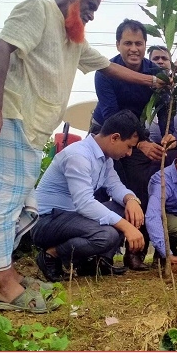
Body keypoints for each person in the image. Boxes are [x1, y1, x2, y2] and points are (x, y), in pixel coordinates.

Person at [0, 0, 164, 313]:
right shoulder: (39, 10)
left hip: (34, 130)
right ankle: (3, 284)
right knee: (4, 203)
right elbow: (0, 48)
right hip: (13, 116)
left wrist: (156, 81)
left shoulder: (74, 41)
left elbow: (111, 68)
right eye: (90, 6)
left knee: (17, 201)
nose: (91, 15)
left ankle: (10, 273)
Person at [91, 20, 177, 271]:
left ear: (145, 45)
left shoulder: (156, 73)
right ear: (117, 44)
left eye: (139, 43)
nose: (133, 48)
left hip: (137, 134)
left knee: (139, 189)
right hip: (106, 133)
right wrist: (139, 144)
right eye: (127, 43)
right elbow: (111, 114)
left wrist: (167, 133)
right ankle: (100, 254)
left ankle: (135, 252)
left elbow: (164, 108)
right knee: (100, 188)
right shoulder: (105, 72)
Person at [31, 110, 146, 281]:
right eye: (129, 146)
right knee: (106, 235)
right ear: (114, 137)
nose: (129, 153)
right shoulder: (79, 155)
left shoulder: (105, 158)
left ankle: (94, 263)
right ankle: (51, 255)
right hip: (47, 221)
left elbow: (115, 186)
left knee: (124, 207)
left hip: (71, 218)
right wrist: (126, 227)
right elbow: (84, 203)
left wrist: (131, 199)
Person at [147, 45, 177, 145]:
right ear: (148, 63)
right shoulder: (143, 88)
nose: (160, 61)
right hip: (147, 150)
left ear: (171, 64)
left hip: (174, 149)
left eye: (164, 58)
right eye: (156, 58)